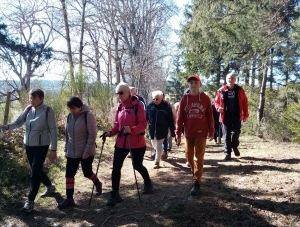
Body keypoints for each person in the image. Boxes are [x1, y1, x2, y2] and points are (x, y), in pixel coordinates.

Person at [0, 88, 57, 212]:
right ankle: (49, 186)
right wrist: (7, 127)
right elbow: (19, 122)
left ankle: (30, 201)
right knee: (36, 169)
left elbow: (53, 130)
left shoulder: (48, 110)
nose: (31, 100)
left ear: (41, 99)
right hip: (28, 145)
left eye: (34, 98)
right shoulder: (28, 109)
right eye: (30, 98)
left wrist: (54, 149)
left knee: (34, 172)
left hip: (42, 145)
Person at [104, 82, 153, 206]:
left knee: (137, 165)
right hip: (121, 142)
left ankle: (148, 183)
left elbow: (143, 124)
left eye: (121, 93)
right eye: (117, 93)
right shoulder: (119, 107)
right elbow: (117, 125)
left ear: (128, 92)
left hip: (136, 142)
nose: (119, 95)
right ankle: (115, 194)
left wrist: (132, 130)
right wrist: (110, 133)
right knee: (116, 168)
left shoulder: (138, 106)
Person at [57, 97, 102, 209]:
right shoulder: (69, 117)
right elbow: (67, 135)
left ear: (80, 106)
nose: (71, 110)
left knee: (87, 173)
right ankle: (69, 199)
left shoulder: (88, 116)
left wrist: (87, 151)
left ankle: (97, 183)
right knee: (69, 174)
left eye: (73, 108)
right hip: (72, 151)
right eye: (69, 108)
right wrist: (66, 149)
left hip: (86, 151)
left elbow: (92, 135)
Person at [176, 75, 214, 196]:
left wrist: (211, 130)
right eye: (191, 83)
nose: (193, 85)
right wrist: (178, 133)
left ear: (200, 85)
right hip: (188, 132)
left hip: (201, 132)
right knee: (188, 156)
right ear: (188, 85)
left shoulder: (205, 98)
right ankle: (195, 172)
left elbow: (210, 116)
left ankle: (197, 183)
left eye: (195, 82)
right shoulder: (184, 99)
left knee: (199, 157)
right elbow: (179, 117)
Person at [214, 72, 249, 161]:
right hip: (225, 116)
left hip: (237, 115)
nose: (231, 80)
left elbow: (245, 102)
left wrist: (246, 114)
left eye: (232, 78)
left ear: (235, 79)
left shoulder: (240, 90)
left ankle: (234, 146)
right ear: (226, 79)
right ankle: (227, 153)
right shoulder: (221, 90)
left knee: (235, 133)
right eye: (229, 78)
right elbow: (216, 103)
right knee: (226, 135)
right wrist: (219, 108)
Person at [146, 91, 175, 169]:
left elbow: (170, 120)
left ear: (162, 98)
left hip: (162, 130)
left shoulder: (166, 107)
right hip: (152, 130)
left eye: (157, 99)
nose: (155, 100)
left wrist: (172, 131)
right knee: (154, 144)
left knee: (159, 145)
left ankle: (157, 162)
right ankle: (161, 153)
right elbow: (146, 117)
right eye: (154, 99)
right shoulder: (149, 106)